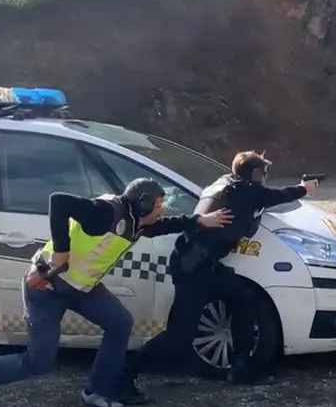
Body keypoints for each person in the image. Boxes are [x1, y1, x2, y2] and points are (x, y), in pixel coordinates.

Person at [0, 178, 233, 407]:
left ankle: (97, 391)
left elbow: (167, 225)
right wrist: (61, 248)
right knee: (39, 362)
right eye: (158, 205)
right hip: (47, 288)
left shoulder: (137, 221)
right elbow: (58, 201)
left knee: (120, 323)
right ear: (142, 203)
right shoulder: (104, 212)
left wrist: (199, 221)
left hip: (82, 289)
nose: (162, 209)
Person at [123, 150, 317, 391]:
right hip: (194, 269)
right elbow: (277, 195)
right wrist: (304, 188)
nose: (265, 179)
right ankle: (124, 373)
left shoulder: (225, 184)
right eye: (263, 174)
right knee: (178, 337)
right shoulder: (243, 191)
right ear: (255, 174)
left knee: (244, 299)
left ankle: (241, 367)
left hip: (202, 264)